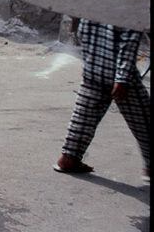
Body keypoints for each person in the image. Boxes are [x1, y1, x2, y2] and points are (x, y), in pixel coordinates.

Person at [54, 19, 149, 182]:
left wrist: (88, 64)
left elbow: (83, 33)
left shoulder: (95, 3)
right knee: (145, 120)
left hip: (94, 69)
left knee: (83, 119)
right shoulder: (128, 6)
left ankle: (69, 158)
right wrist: (122, 78)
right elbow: (128, 45)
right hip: (117, 74)